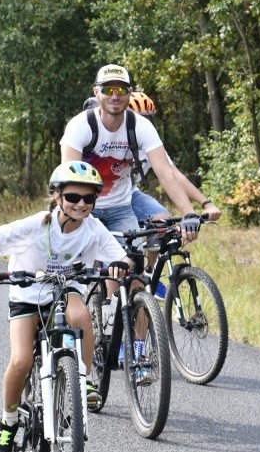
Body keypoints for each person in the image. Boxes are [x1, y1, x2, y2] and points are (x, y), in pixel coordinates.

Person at [0, 162, 129, 452]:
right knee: (22, 359)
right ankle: (9, 420)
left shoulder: (93, 228)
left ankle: (84, 381)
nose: (81, 204)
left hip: (66, 287)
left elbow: (120, 257)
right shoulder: (37, 224)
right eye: (73, 197)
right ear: (57, 196)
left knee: (81, 317)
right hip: (27, 292)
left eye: (89, 199)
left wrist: (120, 265)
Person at [61, 64, 201, 358]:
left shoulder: (140, 126)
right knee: (66, 274)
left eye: (122, 90)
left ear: (129, 93)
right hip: (84, 209)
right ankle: (64, 336)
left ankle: (135, 350)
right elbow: (68, 176)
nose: (115, 95)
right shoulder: (81, 125)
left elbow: (166, 171)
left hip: (121, 207)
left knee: (135, 276)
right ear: (97, 92)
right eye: (109, 89)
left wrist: (188, 211)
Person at [82, 91, 221, 300]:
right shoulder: (106, 137)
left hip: (130, 195)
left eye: (148, 118)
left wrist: (205, 203)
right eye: (140, 118)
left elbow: (173, 174)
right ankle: (109, 301)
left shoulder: (147, 140)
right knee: (114, 259)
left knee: (161, 220)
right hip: (98, 198)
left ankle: (150, 273)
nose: (144, 123)